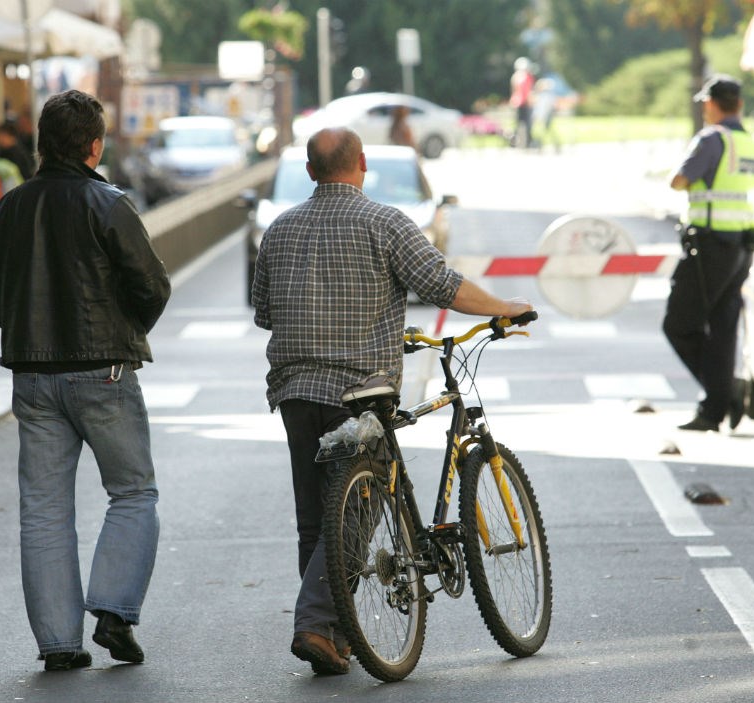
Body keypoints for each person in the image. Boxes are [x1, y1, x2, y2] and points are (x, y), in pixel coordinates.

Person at [251, 127, 532, 676]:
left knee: (317, 517)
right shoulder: (385, 223)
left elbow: (265, 312)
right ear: (361, 164)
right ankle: (314, 623)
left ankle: (333, 634)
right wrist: (504, 306)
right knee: (358, 508)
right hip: (360, 391)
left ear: (310, 171)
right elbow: (442, 285)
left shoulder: (279, 229)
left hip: (293, 390)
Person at [0, 89, 171, 673]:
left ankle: (60, 644)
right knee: (133, 491)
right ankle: (114, 609)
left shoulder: (9, 207)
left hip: (33, 378)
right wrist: (122, 330)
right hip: (103, 372)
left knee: (42, 509)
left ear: (42, 143)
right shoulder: (107, 203)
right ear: (94, 145)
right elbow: (152, 286)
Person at [665, 75, 754, 432]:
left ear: (711, 104)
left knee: (679, 324)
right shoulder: (748, 142)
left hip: (709, 244)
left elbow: (678, 180)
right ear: (738, 104)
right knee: (723, 328)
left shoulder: (712, 138)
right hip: (740, 244)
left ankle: (723, 393)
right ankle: (715, 407)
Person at [509, 57, 535, 148]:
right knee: (526, 124)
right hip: (524, 103)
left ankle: (515, 142)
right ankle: (527, 142)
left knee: (518, 124)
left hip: (518, 103)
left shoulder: (515, 76)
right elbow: (527, 91)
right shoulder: (526, 77)